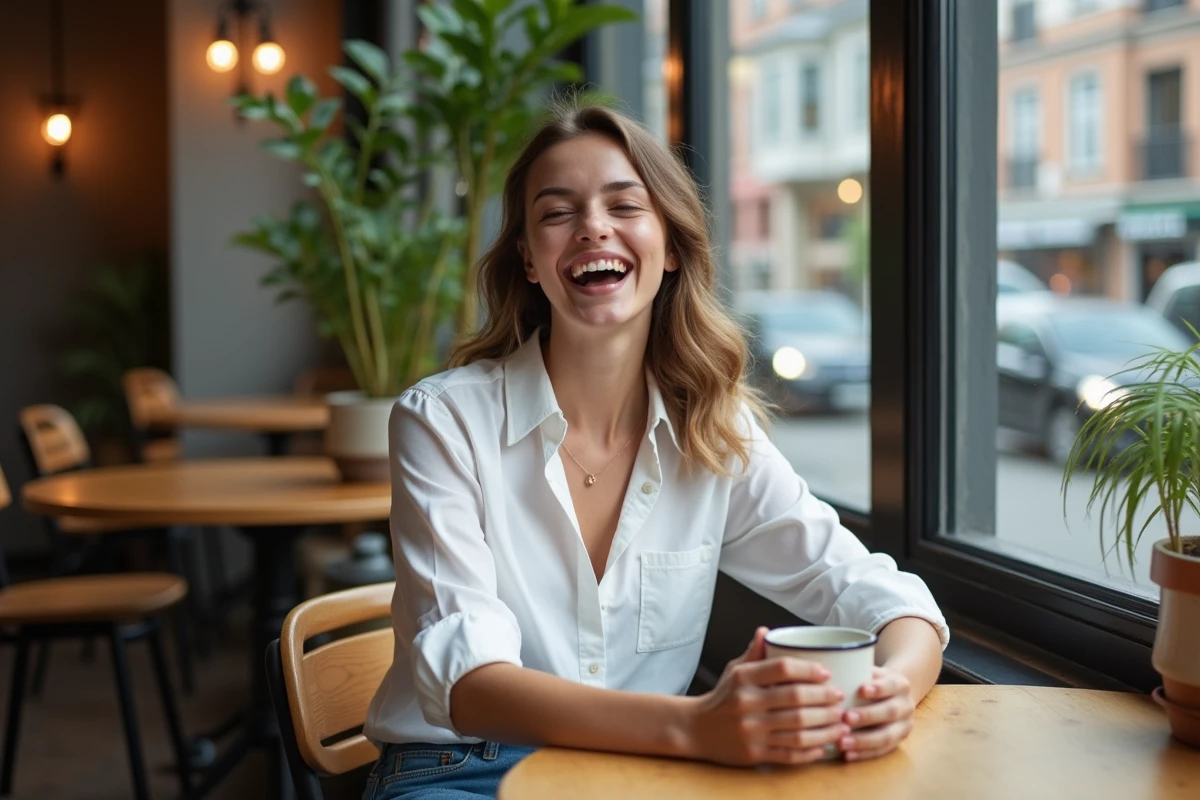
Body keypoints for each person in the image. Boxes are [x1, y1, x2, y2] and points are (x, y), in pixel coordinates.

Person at [361, 102, 948, 800]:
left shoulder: (712, 429)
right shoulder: (442, 421)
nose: (592, 227)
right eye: (556, 213)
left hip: (642, 774)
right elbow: (471, 688)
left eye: (624, 205)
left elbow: (878, 595)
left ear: (670, 246)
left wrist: (889, 693)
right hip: (463, 771)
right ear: (527, 259)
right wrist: (699, 727)